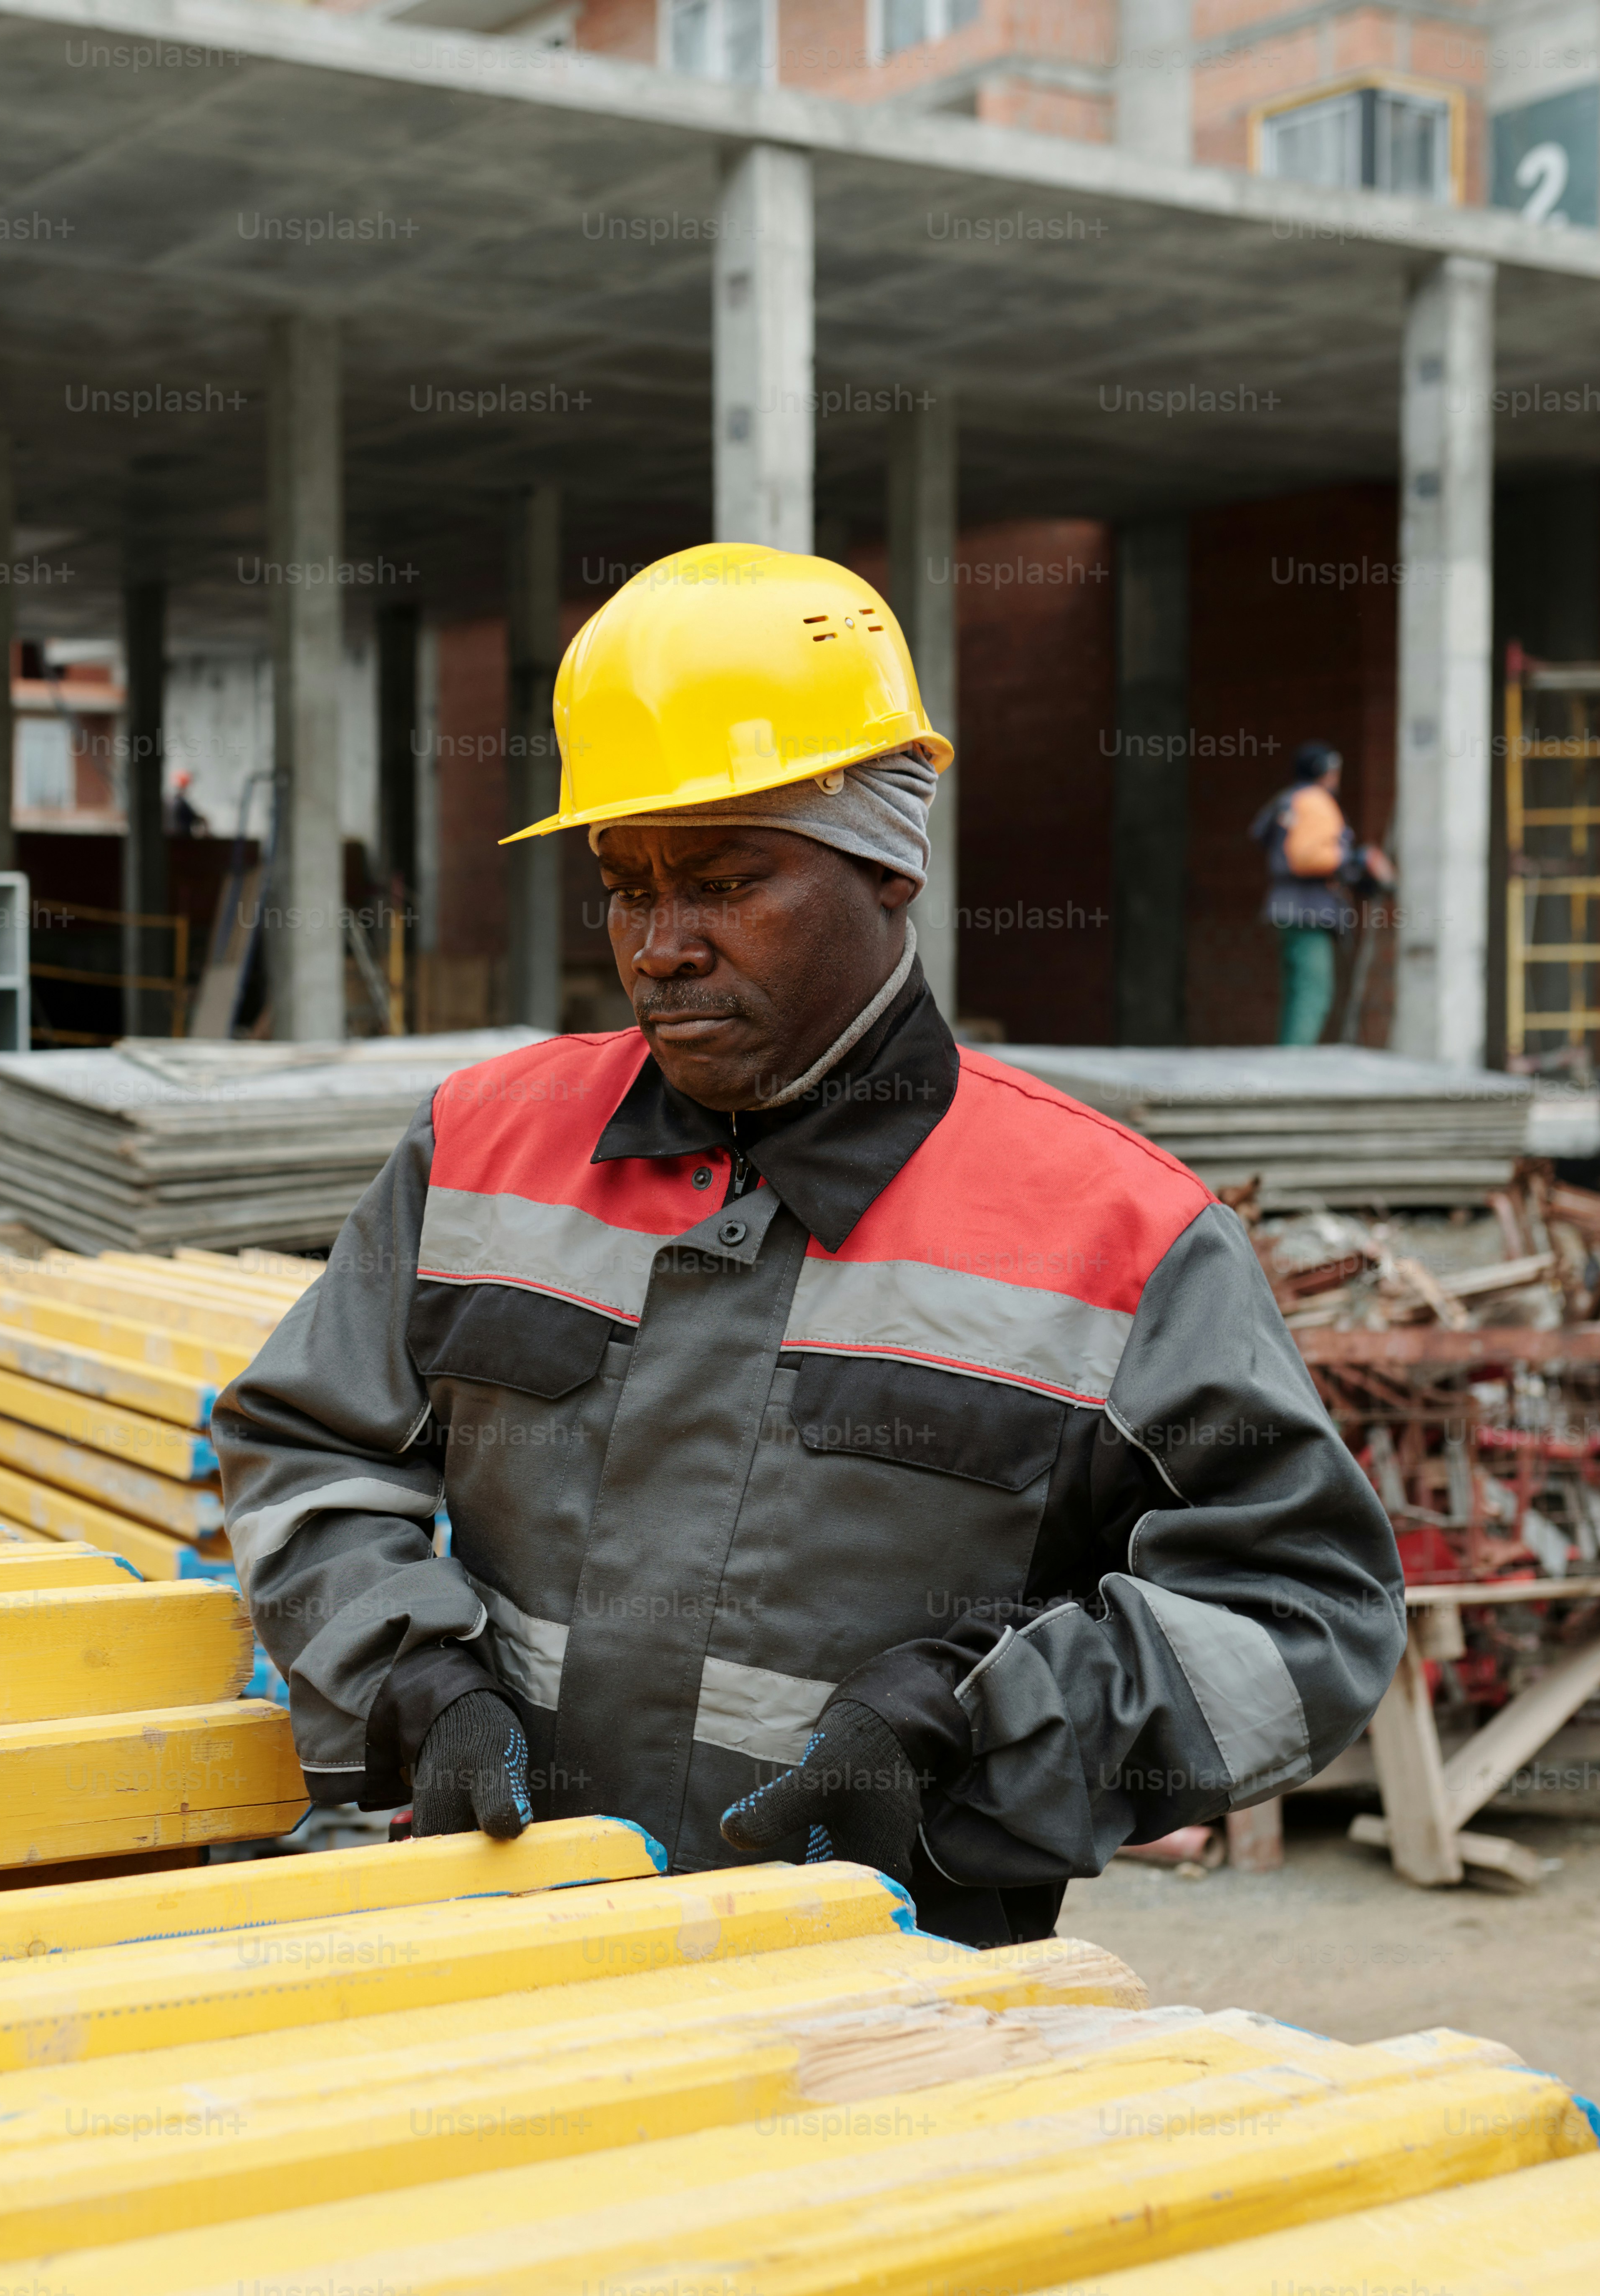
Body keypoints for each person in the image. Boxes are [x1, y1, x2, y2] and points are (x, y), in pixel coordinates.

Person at [217, 544, 1401, 1949]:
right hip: (510, 1964)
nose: (657, 945)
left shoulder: (1119, 1235)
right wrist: (408, 1670)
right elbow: (302, 1443)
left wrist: (978, 1737)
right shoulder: (478, 1147)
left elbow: (1301, 1612)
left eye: (723, 881)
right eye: (626, 882)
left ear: (888, 865)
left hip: (884, 2019)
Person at [1248, 743, 1391, 1047]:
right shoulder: (1315, 800)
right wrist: (1358, 861)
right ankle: (1293, 1069)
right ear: (1325, 771)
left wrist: (1352, 873)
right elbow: (1305, 856)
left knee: (1297, 992)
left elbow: (1266, 837)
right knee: (1314, 993)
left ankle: (1286, 1064)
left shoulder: (1289, 800)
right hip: (1307, 910)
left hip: (1287, 908)